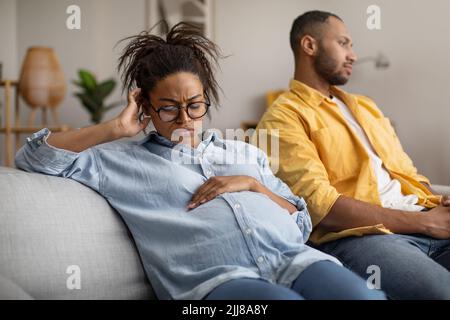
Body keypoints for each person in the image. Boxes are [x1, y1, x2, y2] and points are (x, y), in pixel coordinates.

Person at [15, 22, 384, 300]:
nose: (186, 119)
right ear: (145, 106)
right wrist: (113, 128)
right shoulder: (116, 160)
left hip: (295, 260)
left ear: (206, 97)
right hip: (213, 286)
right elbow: (33, 157)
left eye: (195, 105)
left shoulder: (244, 153)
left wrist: (252, 185)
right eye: (169, 109)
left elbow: (300, 219)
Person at [256, 11, 450, 299]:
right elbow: (322, 209)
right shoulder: (283, 118)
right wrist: (424, 223)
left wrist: (437, 203)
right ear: (309, 46)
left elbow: (406, 176)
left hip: (423, 215)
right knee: (440, 291)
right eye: (344, 43)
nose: (354, 55)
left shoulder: (366, 107)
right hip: (363, 236)